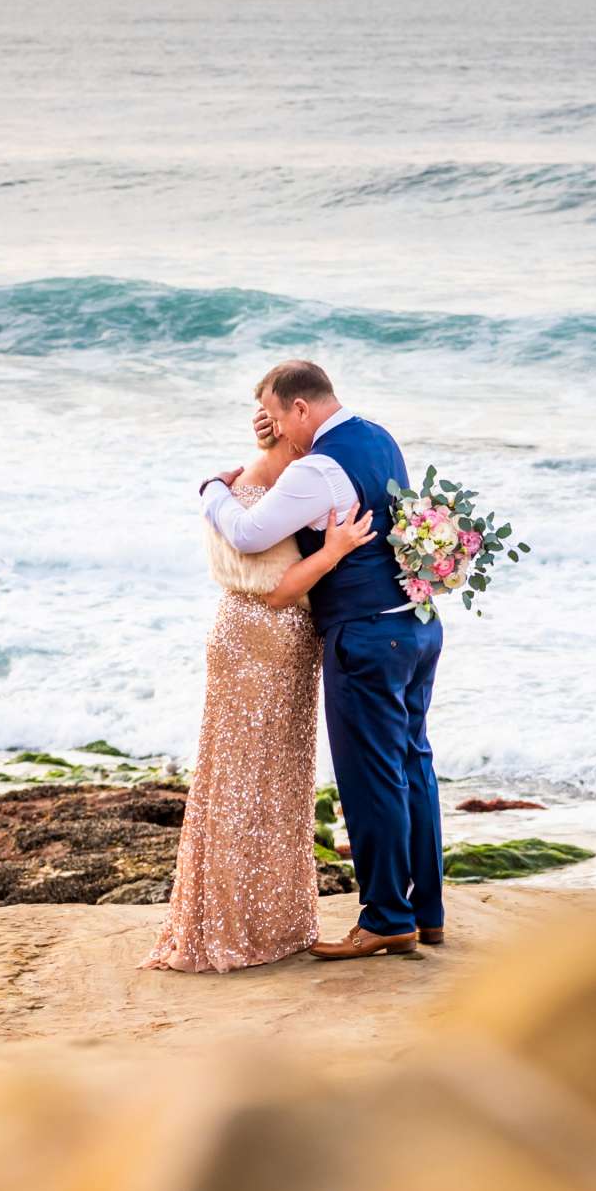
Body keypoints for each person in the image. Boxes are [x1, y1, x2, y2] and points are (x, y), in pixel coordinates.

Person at [198, 359, 445, 960]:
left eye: (279, 418)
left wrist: (212, 491)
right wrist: (273, 436)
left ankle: (386, 918)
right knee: (413, 766)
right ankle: (426, 911)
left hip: (365, 637)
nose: (276, 430)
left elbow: (251, 534)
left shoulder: (317, 470)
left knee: (371, 780)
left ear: (301, 411)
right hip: (415, 625)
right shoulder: (378, 437)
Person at [144, 410, 376, 972]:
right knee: (266, 782)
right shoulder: (269, 504)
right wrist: (334, 551)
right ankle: (248, 926)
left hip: (236, 630)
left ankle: (233, 919)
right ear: (290, 441)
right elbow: (278, 589)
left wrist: (212, 488)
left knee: (237, 778)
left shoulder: (231, 492)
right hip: (273, 637)